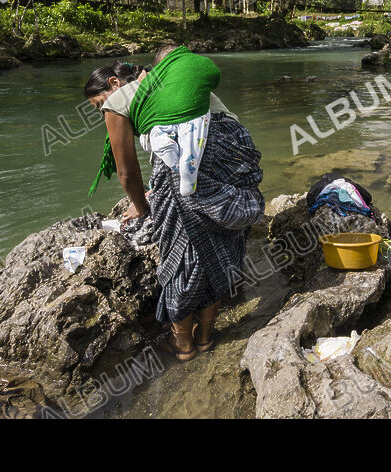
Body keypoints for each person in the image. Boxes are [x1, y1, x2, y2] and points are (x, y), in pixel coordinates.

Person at [84, 47, 264, 362]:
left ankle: (183, 345)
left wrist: (140, 207)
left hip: (188, 164)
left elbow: (127, 172)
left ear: (113, 83)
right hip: (237, 153)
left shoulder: (118, 100)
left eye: (97, 104)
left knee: (183, 256)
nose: (101, 111)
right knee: (218, 250)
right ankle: (206, 337)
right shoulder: (169, 80)